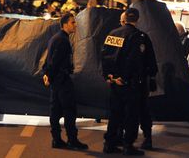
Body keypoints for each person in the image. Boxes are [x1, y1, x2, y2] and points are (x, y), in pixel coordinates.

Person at [101, 8, 157, 155]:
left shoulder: (113, 34)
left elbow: (105, 56)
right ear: (137, 19)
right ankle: (128, 145)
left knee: (115, 114)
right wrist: (125, 78)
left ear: (124, 19)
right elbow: (135, 61)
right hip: (131, 84)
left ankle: (109, 144)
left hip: (114, 83)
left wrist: (109, 77)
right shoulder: (139, 37)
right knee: (132, 115)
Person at [42, 13, 88, 150]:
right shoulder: (62, 40)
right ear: (65, 24)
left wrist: (47, 74)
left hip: (56, 80)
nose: (75, 24)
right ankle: (72, 140)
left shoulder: (56, 38)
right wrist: (48, 75)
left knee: (55, 111)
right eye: (73, 22)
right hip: (62, 80)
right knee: (69, 111)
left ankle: (56, 139)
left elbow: (48, 59)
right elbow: (54, 61)